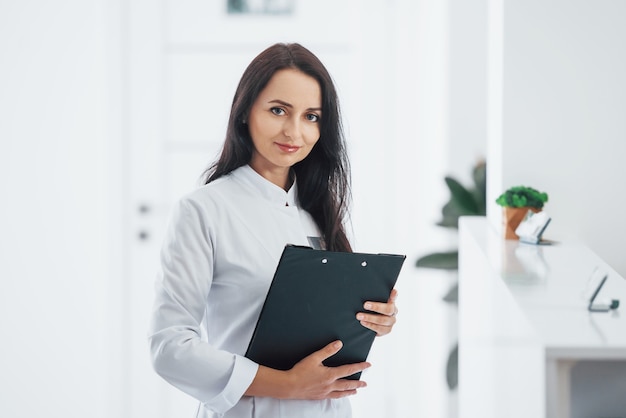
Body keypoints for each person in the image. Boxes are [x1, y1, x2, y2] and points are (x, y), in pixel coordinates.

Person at [149, 42, 399, 418]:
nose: (293, 131)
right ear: (245, 112)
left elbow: (319, 324)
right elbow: (170, 348)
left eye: (311, 116)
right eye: (278, 110)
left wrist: (372, 320)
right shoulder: (203, 210)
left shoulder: (317, 210)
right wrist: (287, 385)